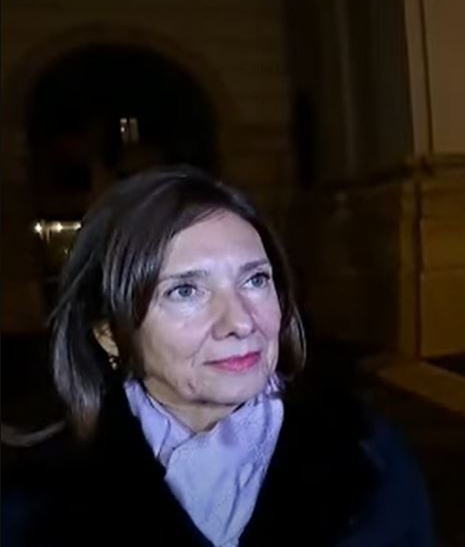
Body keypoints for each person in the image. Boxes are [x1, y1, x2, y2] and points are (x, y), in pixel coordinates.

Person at [2, 166, 434, 546]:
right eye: (185, 291)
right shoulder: (39, 508)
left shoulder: (369, 457)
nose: (241, 322)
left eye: (255, 280)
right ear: (110, 335)